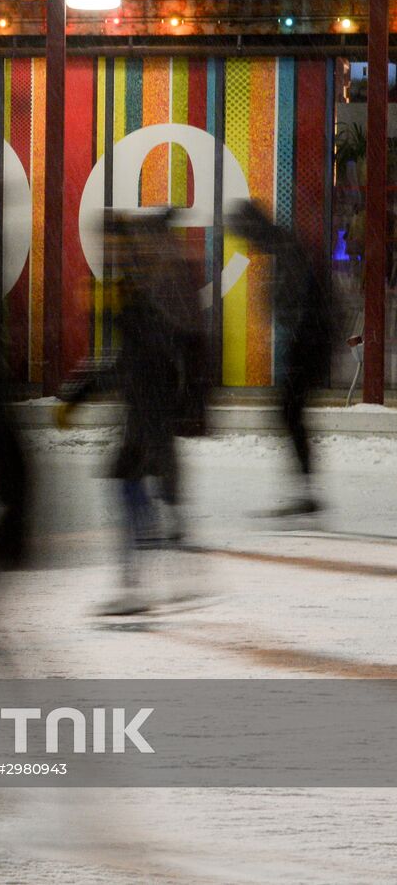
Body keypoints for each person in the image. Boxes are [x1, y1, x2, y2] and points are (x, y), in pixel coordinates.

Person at [57, 209, 207, 616]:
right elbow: (135, 352)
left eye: (111, 240)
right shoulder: (134, 281)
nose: (107, 248)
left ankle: (138, 581)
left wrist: (84, 388)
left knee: (130, 481)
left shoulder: (144, 284)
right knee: (139, 483)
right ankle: (163, 571)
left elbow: (143, 353)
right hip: (147, 398)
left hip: (152, 399)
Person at [230, 200, 334, 519]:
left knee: (289, 413)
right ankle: (305, 491)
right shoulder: (282, 245)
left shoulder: (283, 248)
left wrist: (278, 306)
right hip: (309, 343)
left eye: (246, 237)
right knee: (290, 414)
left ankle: (306, 493)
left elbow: (297, 300)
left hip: (308, 344)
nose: (248, 246)